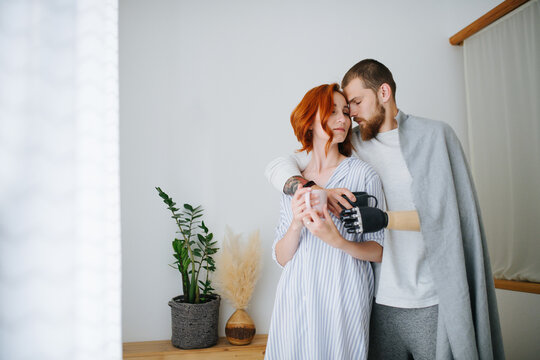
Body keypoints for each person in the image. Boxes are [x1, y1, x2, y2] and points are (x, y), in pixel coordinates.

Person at [265, 59, 504, 360]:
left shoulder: (432, 137)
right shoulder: (354, 142)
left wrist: (384, 220)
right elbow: (278, 166)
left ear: (384, 92)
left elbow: (450, 217)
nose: (349, 115)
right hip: (379, 299)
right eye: (342, 108)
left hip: (428, 296)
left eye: (355, 103)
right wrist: (314, 192)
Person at [265, 84, 385, 360]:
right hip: (296, 297)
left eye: (345, 112)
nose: (343, 119)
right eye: (331, 112)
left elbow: (380, 251)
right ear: (309, 120)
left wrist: (339, 241)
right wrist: (296, 222)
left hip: (343, 296)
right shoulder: (293, 182)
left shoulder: (363, 175)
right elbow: (282, 257)